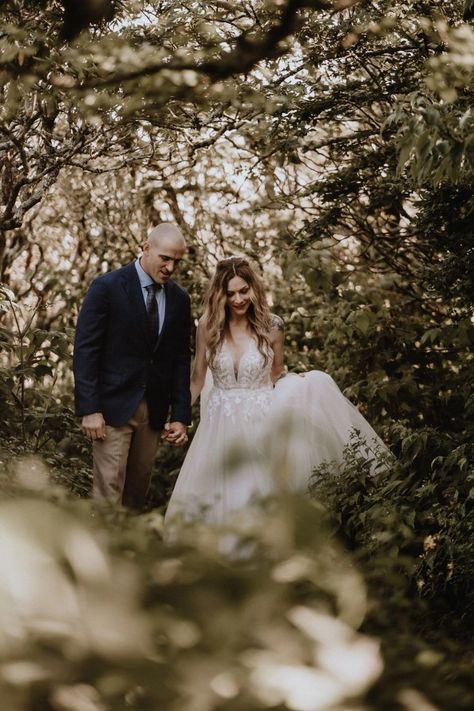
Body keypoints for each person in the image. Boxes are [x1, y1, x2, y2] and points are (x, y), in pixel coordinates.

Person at [164, 256, 388, 533]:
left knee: (260, 501)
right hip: (218, 426)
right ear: (219, 294)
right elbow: (197, 378)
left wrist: (299, 383)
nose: (237, 300)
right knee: (214, 504)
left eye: (243, 291)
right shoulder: (208, 326)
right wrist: (178, 416)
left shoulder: (272, 327)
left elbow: (276, 374)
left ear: (253, 288)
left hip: (262, 423)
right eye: (230, 293)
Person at [73, 223, 192, 509]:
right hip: (112, 408)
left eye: (177, 261)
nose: (170, 267)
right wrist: (89, 409)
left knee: (137, 494)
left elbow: (180, 359)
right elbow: (85, 349)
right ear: (146, 247)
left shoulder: (179, 299)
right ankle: (100, 554)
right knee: (108, 493)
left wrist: (180, 415)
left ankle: (127, 553)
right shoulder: (107, 287)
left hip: (153, 411)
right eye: (165, 258)